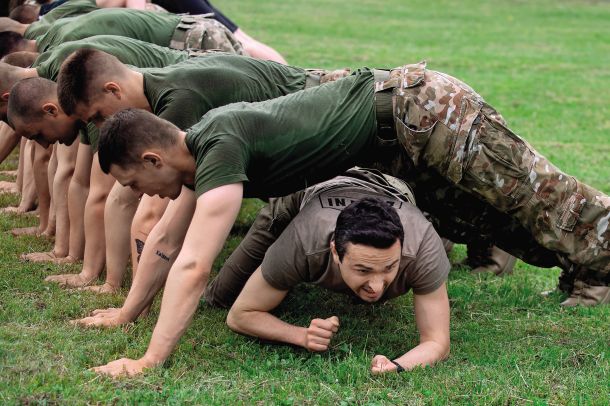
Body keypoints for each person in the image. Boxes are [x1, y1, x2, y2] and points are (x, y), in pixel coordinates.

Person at [90, 62, 609, 376]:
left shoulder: (217, 147)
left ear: (153, 160)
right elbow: (166, 240)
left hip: (421, 109)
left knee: (538, 194)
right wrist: (125, 314)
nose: (139, 195)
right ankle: (587, 277)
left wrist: (151, 359)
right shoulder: (202, 148)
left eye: (134, 184)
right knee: (479, 218)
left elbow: (193, 264)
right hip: (398, 142)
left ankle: (599, 264)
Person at [0, 7, 244, 57]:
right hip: (188, 33)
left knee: (246, 106)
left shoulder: (64, 41)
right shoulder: (56, 29)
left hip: (195, 37)